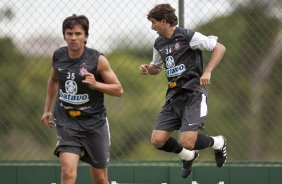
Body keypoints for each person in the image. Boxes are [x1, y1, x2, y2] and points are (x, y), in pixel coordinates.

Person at [140, 4, 227, 178]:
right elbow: (157, 67)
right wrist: (148, 69)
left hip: (194, 93)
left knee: (187, 141)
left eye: (154, 23)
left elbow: (219, 48)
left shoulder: (188, 36)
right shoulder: (159, 43)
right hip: (173, 96)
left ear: (164, 21)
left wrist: (207, 71)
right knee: (157, 140)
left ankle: (218, 142)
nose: (152, 27)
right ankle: (187, 155)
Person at [41, 14, 123, 184]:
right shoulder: (58, 56)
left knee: (100, 178)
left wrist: (96, 85)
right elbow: (54, 80)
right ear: (64, 35)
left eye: (78, 34)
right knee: (68, 173)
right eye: (69, 33)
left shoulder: (98, 60)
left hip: (94, 122)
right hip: (67, 121)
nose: (73, 38)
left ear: (86, 36)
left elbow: (118, 90)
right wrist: (47, 110)